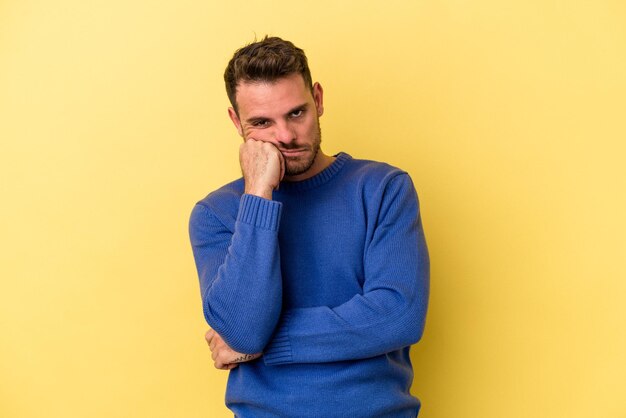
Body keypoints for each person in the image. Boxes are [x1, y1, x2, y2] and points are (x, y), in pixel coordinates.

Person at [188, 36, 430, 418]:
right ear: (237, 122)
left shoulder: (383, 188)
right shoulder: (216, 213)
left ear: (317, 99)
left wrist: (269, 341)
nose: (285, 136)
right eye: (262, 123)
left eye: (296, 113)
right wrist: (257, 194)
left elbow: (398, 315)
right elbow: (243, 330)